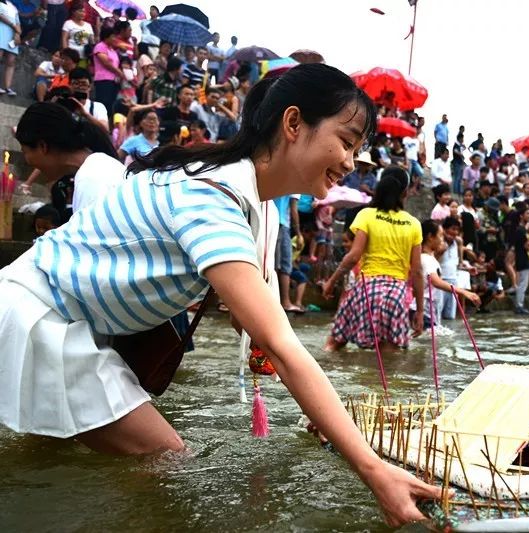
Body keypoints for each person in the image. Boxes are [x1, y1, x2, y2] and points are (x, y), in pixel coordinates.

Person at [1, 64, 439, 526]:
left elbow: (258, 320)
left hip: (59, 317)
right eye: (346, 141)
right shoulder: (214, 198)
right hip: (38, 316)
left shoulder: (237, 191)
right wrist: (372, 469)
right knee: (167, 457)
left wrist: (328, 417)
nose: (352, 162)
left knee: (46, 452)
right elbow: (281, 344)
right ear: (293, 124)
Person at [322, 166, 424, 351]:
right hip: (397, 295)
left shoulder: (366, 215)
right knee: (388, 356)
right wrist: (420, 311)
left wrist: (331, 281)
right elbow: (417, 271)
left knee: (333, 344)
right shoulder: (413, 224)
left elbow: (353, 257)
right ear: (405, 192)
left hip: (367, 290)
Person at [13, 102, 120, 221]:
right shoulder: (98, 168)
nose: (28, 162)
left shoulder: (92, 179)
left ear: (42, 146)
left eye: (24, 151)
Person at [412, 219, 481, 329]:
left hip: (426, 311)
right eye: (440, 236)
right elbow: (435, 281)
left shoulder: (428, 258)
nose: (442, 240)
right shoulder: (426, 259)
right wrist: (464, 292)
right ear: (430, 237)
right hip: (423, 312)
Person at [91, 26, 123, 121]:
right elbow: (105, 63)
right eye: (113, 36)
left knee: (111, 105)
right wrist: (119, 72)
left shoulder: (112, 49)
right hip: (103, 79)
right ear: (106, 37)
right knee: (103, 103)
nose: (115, 39)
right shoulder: (100, 46)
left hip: (113, 81)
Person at [513, 206, 529, 315]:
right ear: (521, 216)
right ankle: (519, 306)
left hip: (522, 259)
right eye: (527, 214)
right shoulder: (521, 230)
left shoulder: (522, 229)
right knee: (523, 284)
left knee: (522, 283)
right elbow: (527, 246)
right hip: (523, 259)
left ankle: (519, 304)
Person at [0, 0, 20, 96]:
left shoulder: (13, 6)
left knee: (11, 61)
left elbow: (18, 22)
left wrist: (17, 34)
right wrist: (13, 25)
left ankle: (8, 87)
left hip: (11, 35)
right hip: (1, 30)